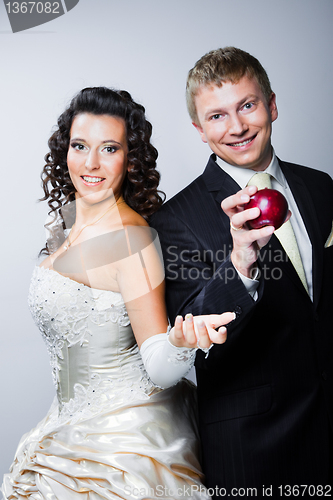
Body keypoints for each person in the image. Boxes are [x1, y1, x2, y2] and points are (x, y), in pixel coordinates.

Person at [1, 87, 235, 500]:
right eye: (80, 146)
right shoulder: (67, 220)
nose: (91, 163)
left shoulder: (133, 241)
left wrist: (179, 342)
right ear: (65, 150)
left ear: (130, 159)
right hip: (63, 429)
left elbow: (161, 369)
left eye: (109, 148)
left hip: (123, 448)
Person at [150, 47, 333, 496]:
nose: (236, 127)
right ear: (199, 129)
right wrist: (240, 262)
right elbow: (190, 335)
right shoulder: (174, 220)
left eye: (247, 106)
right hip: (255, 450)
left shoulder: (320, 186)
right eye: (216, 116)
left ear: (271, 105)